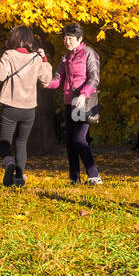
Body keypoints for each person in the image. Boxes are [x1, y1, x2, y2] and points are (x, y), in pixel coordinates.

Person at [0, 25, 53, 188]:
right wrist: (44, 59)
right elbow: (46, 80)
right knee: (21, 143)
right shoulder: (36, 58)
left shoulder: (9, 54)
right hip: (29, 108)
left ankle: (9, 162)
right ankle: (19, 177)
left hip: (10, 106)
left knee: (5, 141)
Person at [45, 22, 102, 186]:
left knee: (79, 138)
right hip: (69, 102)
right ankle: (74, 178)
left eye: (70, 38)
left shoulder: (89, 53)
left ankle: (94, 175)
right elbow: (57, 79)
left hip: (84, 102)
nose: (67, 41)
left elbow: (94, 78)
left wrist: (84, 95)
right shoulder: (66, 58)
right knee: (70, 141)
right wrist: (46, 83)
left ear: (79, 38)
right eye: (65, 38)